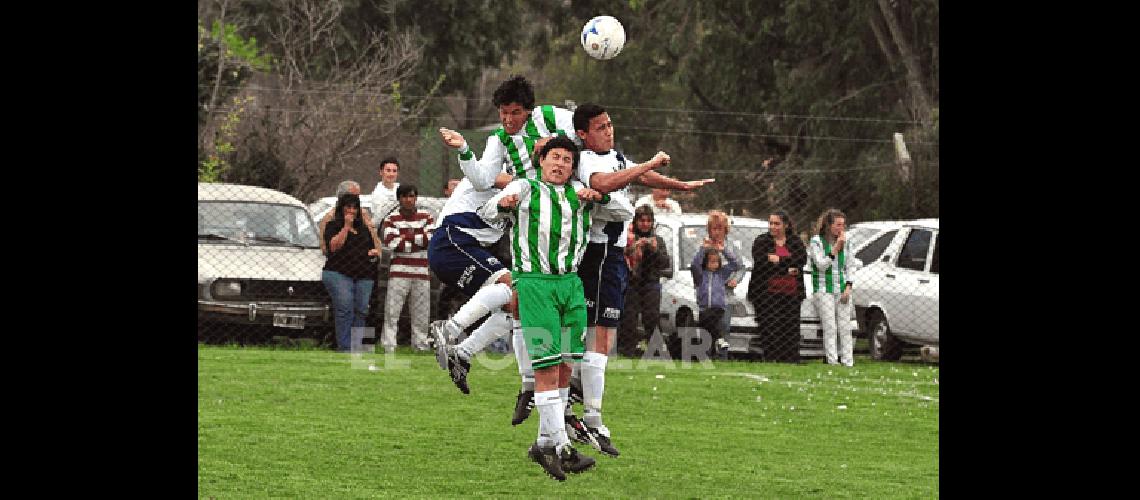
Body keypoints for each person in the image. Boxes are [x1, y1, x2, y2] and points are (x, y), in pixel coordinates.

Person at [564, 103, 716, 457]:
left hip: (614, 257)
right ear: (584, 134)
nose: (608, 130)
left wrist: (680, 185)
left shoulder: (613, 155)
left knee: (602, 337)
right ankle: (590, 417)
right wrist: (648, 163)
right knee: (597, 336)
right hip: (597, 255)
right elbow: (605, 183)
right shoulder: (586, 160)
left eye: (610, 124)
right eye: (600, 127)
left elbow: (637, 175)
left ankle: (578, 401)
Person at [479, 136, 630, 481]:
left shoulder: (578, 194)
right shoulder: (526, 187)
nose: (561, 164)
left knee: (565, 366)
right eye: (555, 158)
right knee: (546, 367)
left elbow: (625, 211)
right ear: (542, 161)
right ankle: (563, 447)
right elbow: (489, 211)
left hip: (571, 285)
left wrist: (600, 195)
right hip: (535, 284)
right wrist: (506, 203)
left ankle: (544, 443)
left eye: (567, 159)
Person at [430, 75, 576, 403]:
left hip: (470, 242)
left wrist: (554, 141)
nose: (508, 120)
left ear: (529, 111)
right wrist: (465, 149)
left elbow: (579, 128)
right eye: (503, 112)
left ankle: (466, 354)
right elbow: (483, 177)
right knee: (516, 288)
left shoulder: (549, 120)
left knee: (518, 305)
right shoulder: (504, 157)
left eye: (514, 113)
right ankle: (448, 330)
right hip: (454, 238)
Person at [321, 193, 381, 352]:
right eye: (348, 207)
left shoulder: (363, 228)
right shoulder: (332, 225)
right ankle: (344, 347)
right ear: (341, 208)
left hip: (363, 273)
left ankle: (357, 347)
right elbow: (333, 247)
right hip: (338, 272)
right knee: (345, 308)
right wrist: (346, 227)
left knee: (362, 309)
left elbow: (374, 247)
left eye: (355, 207)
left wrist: (373, 252)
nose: (352, 211)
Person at [379, 184, 435, 353]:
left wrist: (406, 236)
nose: (408, 200)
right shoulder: (391, 219)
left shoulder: (427, 216)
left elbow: (430, 240)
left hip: (421, 272)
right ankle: (389, 345)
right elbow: (393, 243)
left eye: (411, 196)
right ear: (399, 199)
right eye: (404, 197)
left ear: (416, 197)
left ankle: (420, 346)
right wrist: (417, 239)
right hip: (399, 272)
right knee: (392, 311)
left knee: (421, 312)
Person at [748, 210, 807, 363]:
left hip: (791, 293)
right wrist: (786, 266)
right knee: (770, 326)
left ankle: (790, 359)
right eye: (771, 223)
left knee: (789, 326)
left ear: (786, 225)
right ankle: (771, 358)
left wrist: (776, 260)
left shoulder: (795, 241)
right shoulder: (762, 241)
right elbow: (761, 262)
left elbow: (801, 260)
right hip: (766, 292)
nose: (773, 226)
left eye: (777, 223)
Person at [808, 208, 862, 366]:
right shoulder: (816, 242)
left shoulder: (848, 242)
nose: (841, 229)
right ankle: (832, 361)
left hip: (842, 289)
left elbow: (851, 265)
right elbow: (821, 265)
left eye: (843, 225)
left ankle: (848, 361)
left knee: (845, 327)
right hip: (824, 288)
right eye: (838, 225)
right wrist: (835, 249)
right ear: (829, 225)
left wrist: (848, 287)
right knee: (830, 326)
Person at [618, 205, 670, 357]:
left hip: (650, 283)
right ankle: (627, 349)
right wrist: (634, 247)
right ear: (635, 221)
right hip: (632, 283)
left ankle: (656, 350)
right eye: (642, 220)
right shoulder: (628, 238)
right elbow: (622, 258)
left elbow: (664, 263)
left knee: (652, 317)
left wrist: (654, 249)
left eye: (648, 221)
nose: (645, 224)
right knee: (629, 317)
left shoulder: (657, 240)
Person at [690, 239, 742, 360]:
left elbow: (736, 264)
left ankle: (718, 341)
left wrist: (723, 250)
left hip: (718, 307)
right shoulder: (700, 275)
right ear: (705, 262)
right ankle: (713, 348)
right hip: (704, 307)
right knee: (707, 330)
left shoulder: (721, 274)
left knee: (712, 323)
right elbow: (694, 265)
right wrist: (703, 249)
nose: (714, 264)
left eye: (716, 262)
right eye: (711, 261)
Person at [320, 180, 381, 255]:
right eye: (354, 196)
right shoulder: (331, 217)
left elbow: (374, 240)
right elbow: (324, 247)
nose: (356, 200)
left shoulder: (363, 214)